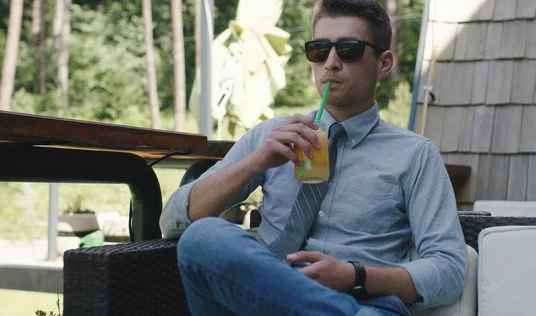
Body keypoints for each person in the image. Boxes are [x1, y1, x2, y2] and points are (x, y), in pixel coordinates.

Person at [159, 0, 467, 315]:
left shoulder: (414, 154)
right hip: (260, 295)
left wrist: (356, 275)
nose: (330, 63)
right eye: (319, 50)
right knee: (203, 237)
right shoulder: (272, 136)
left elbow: (450, 268)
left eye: (349, 50)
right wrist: (256, 162)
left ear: (384, 63)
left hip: (363, 302)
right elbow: (171, 223)